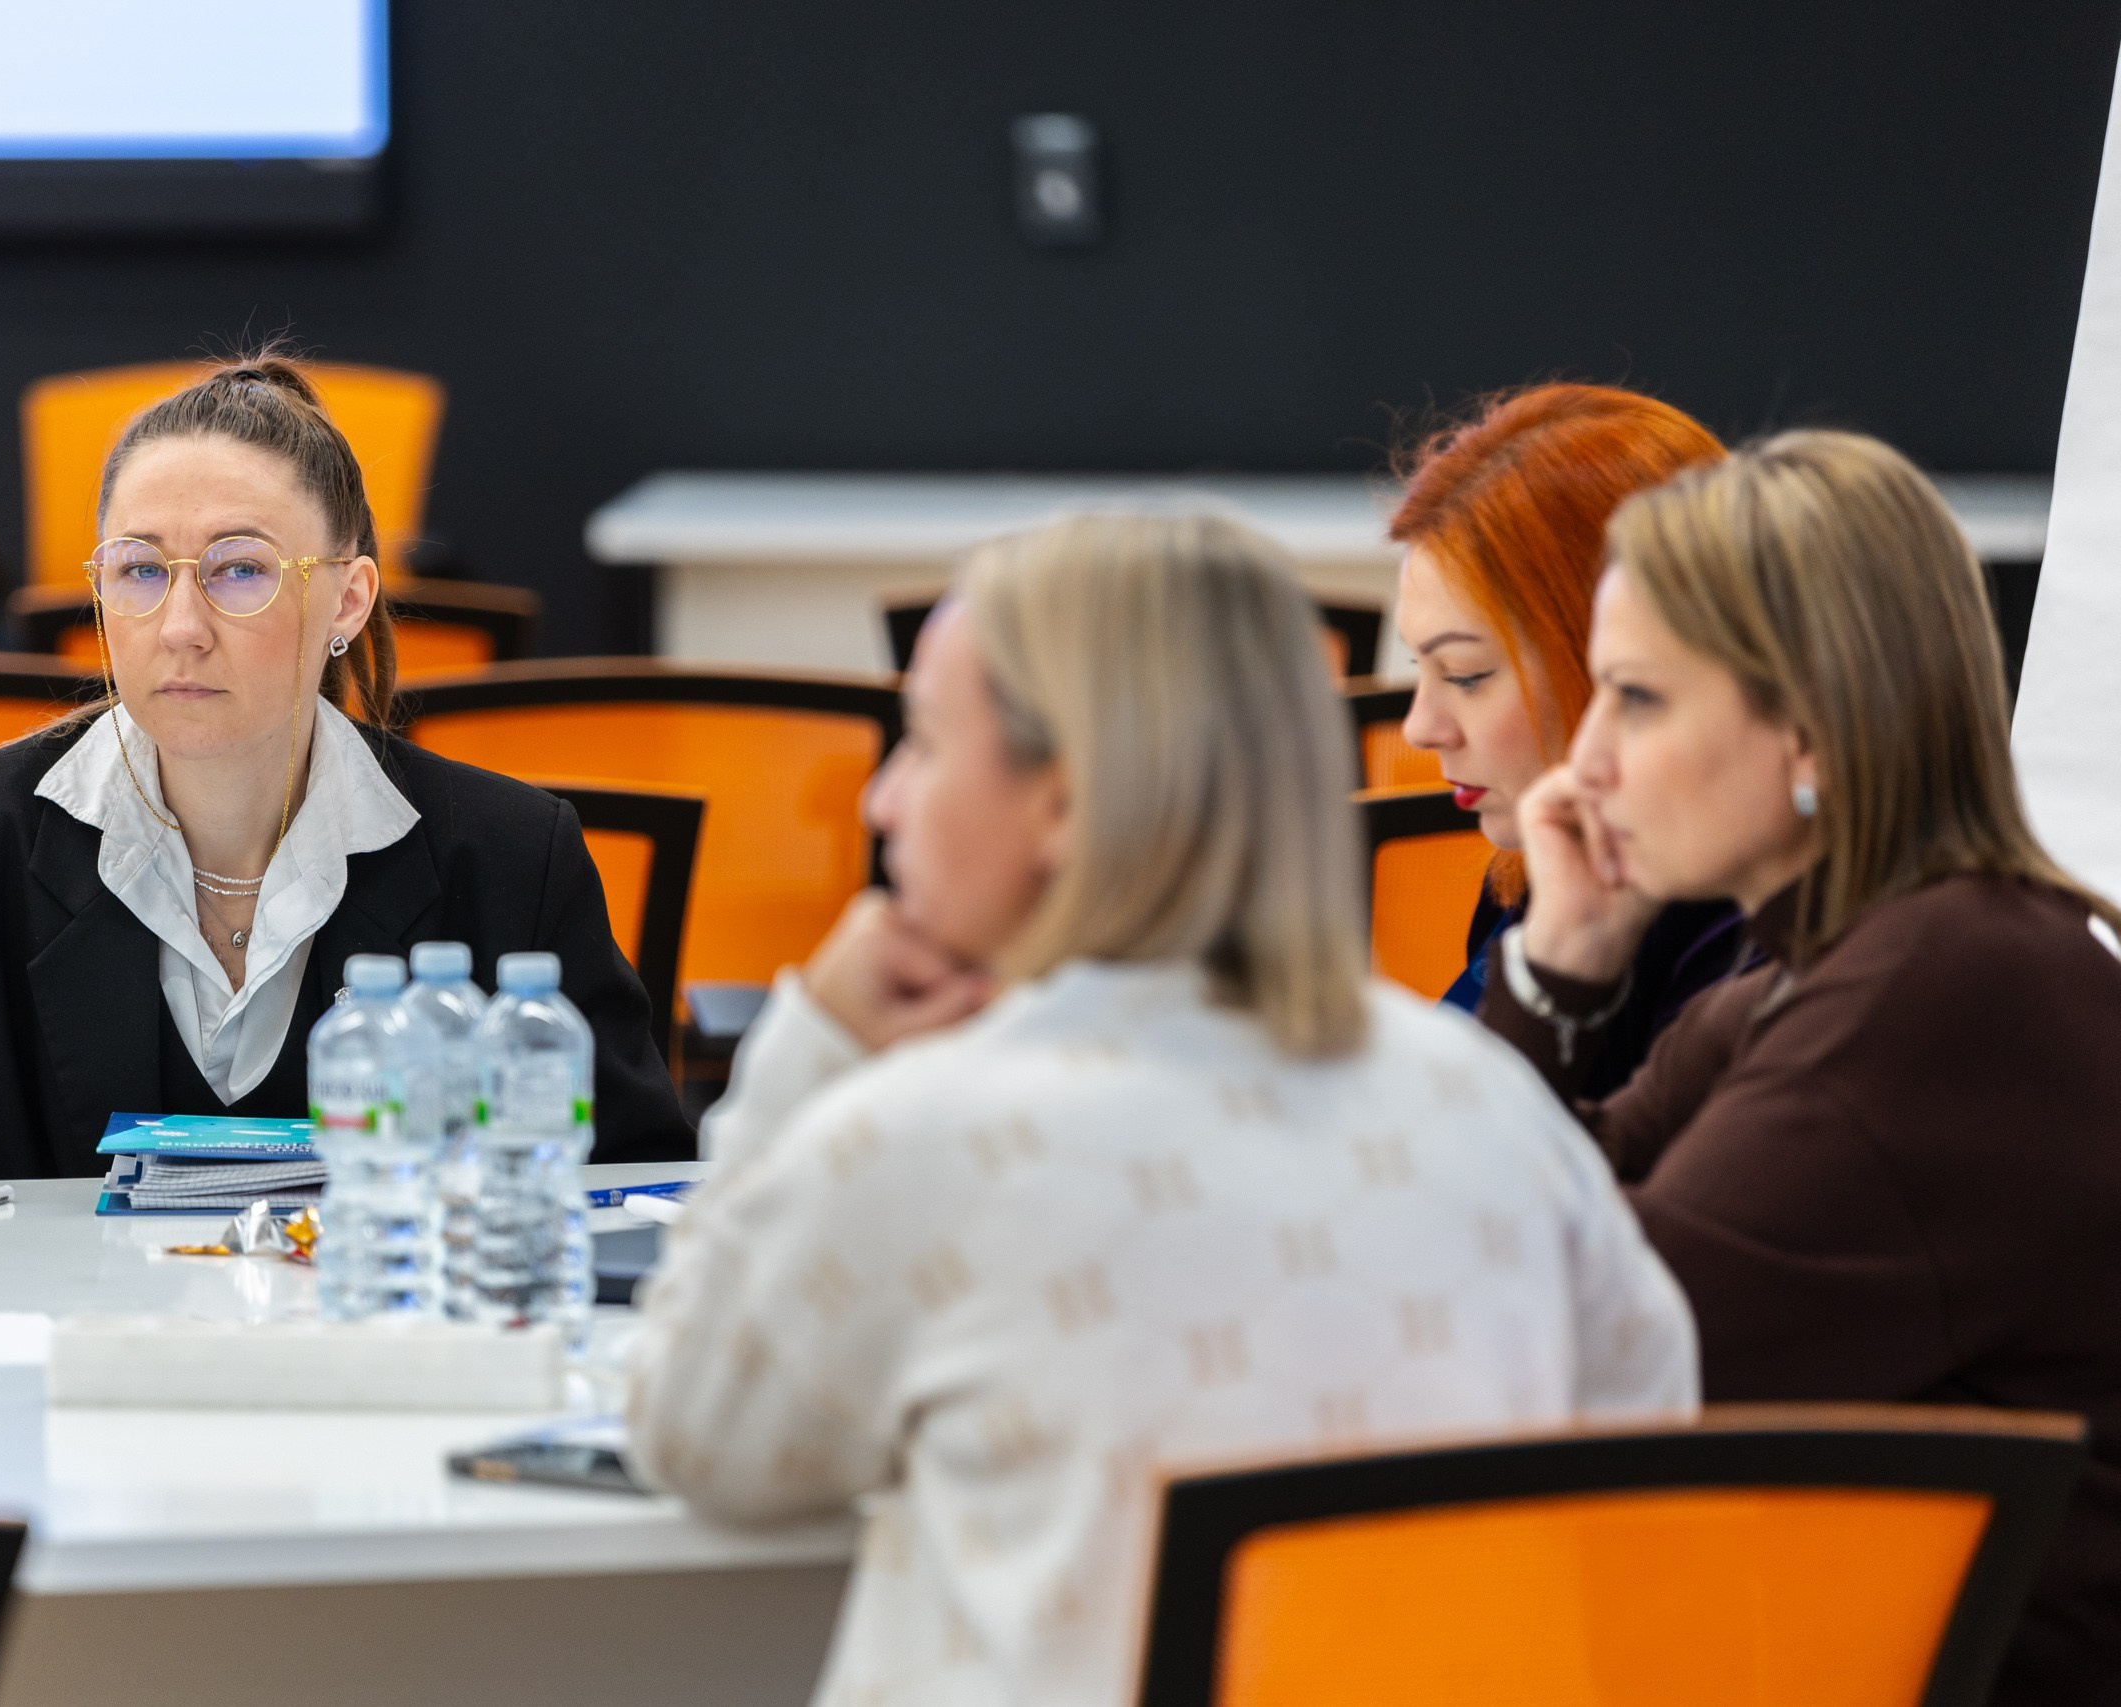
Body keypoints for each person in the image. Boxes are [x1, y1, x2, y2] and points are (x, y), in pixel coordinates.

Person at [626, 511, 1695, 1707]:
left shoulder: (925, 1136)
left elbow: (694, 1433)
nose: (880, 801)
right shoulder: (1493, 1113)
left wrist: (809, 1057)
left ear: (1066, 799)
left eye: (924, 744)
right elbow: (1644, 1439)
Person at [1484, 430, 2121, 1703]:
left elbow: (1572, 1362)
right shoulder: (1847, 967)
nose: (1586, 760)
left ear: (1815, 733)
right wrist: (1563, 958)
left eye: (1641, 698)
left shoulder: (1943, 1000)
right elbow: (1520, 1208)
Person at [0, 357, 690, 1182]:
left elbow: (635, 1194)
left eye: (240, 569)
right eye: (139, 571)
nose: (180, 625)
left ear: (349, 596)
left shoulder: (513, 860)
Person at [1391, 384, 1739, 1095]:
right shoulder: (1542, 871)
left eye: (1465, 674)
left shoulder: (1746, 949)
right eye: (1417, 667)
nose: (1419, 728)